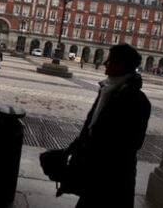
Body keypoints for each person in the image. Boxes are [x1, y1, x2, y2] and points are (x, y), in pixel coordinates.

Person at [64, 44, 151, 208]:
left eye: (110, 61)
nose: (105, 63)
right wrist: (73, 148)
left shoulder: (138, 101)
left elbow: (133, 143)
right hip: (95, 170)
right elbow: (91, 125)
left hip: (114, 175)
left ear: (121, 65)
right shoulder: (106, 89)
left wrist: (96, 155)